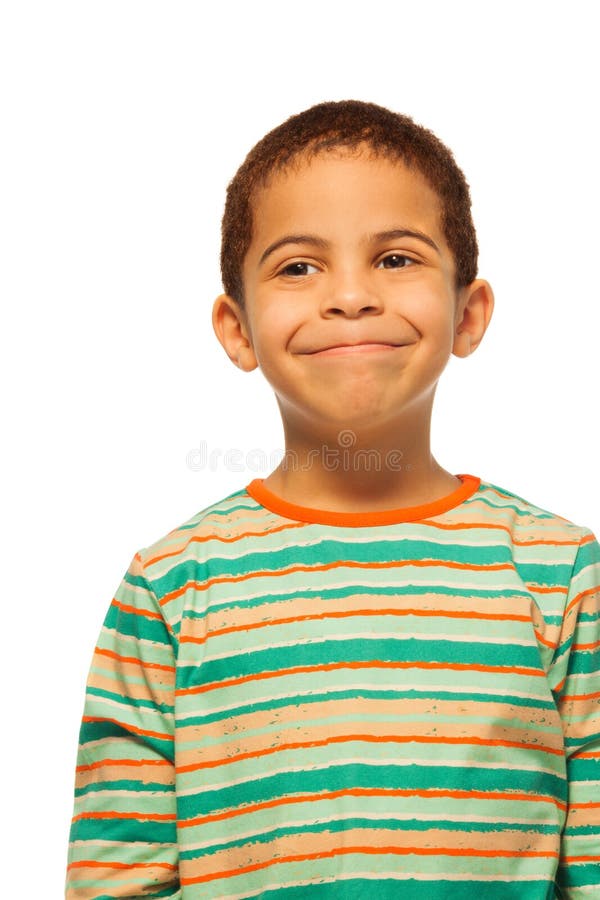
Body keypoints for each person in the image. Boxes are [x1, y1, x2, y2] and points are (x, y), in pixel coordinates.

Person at [66, 100, 600, 899]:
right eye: (297, 267)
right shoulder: (171, 588)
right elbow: (116, 883)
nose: (350, 297)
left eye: (394, 259)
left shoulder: (561, 576)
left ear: (468, 312)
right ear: (237, 328)